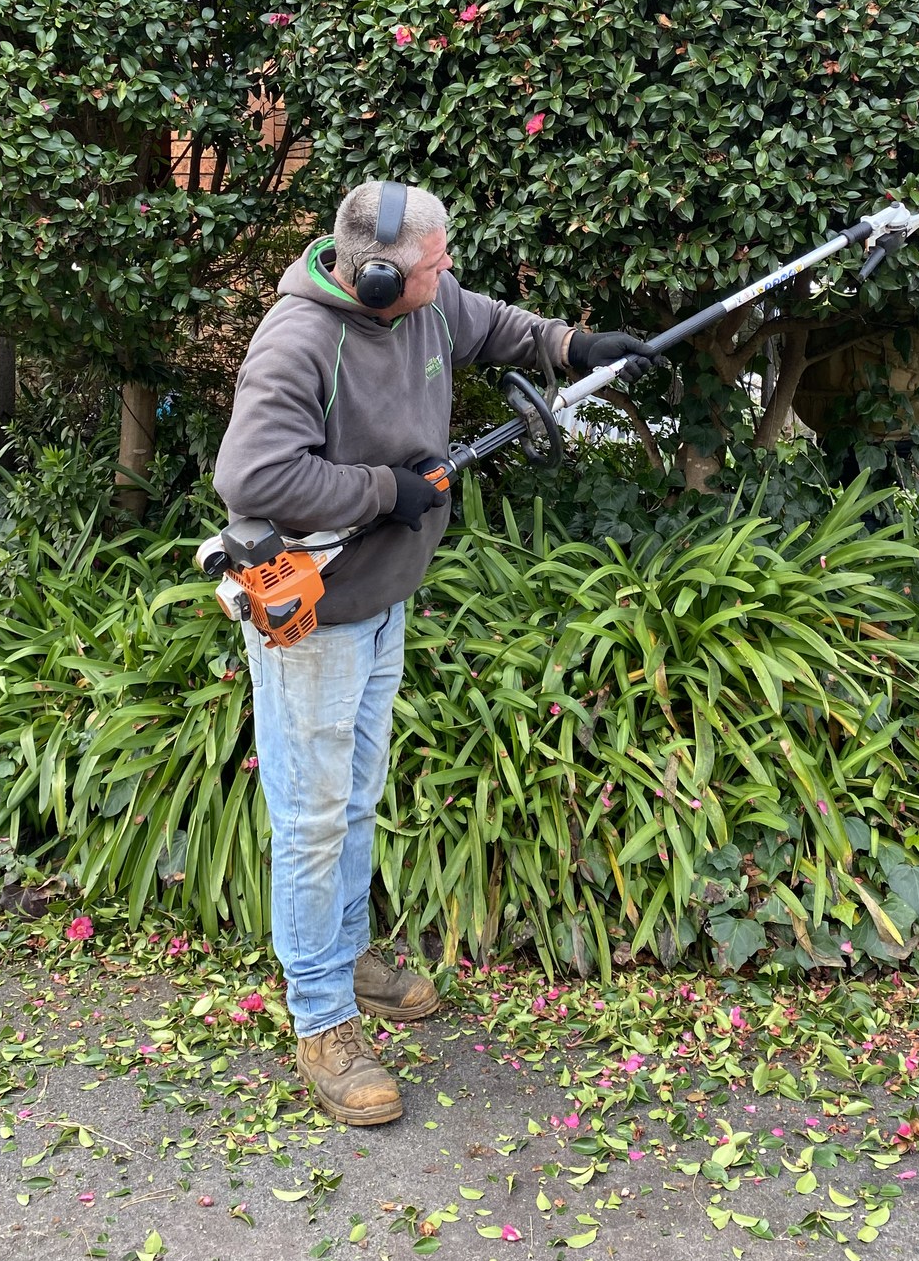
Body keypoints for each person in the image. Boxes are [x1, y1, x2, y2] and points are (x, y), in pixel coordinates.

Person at [213, 180, 656, 1126]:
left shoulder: (429, 302)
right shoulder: (299, 343)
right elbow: (250, 474)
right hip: (318, 618)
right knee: (311, 820)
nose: (447, 272)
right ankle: (321, 1021)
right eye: (432, 262)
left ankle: (350, 957)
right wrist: (384, 491)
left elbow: (492, 324)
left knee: (357, 797)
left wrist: (577, 347)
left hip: (383, 603)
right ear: (374, 278)